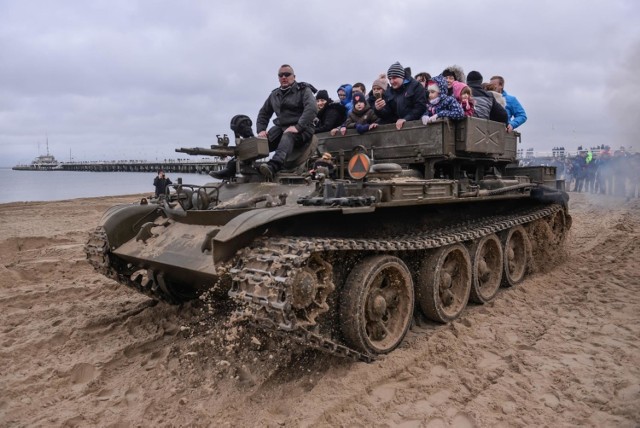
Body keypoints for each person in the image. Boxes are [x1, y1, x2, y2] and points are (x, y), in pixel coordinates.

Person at [256, 64, 318, 179]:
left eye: (287, 74)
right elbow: (264, 113)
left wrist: (298, 126)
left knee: (288, 135)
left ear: (294, 76)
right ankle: (234, 165)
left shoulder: (304, 90)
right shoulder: (275, 95)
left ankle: (274, 165)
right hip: (282, 127)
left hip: (303, 128)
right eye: (281, 75)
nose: (284, 77)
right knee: (264, 140)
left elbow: (312, 108)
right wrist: (261, 130)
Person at [374, 61, 427, 130]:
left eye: (394, 78)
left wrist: (406, 119)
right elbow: (388, 115)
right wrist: (378, 110)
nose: (391, 81)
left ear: (402, 76)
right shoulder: (388, 92)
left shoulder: (416, 86)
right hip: (398, 130)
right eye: (390, 79)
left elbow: (420, 107)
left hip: (417, 127)